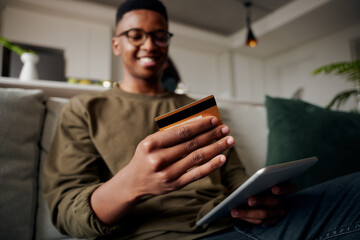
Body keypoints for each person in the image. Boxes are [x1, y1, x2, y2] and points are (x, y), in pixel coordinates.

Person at [44, 0, 360, 239]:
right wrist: (133, 184)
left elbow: (236, 180)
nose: (150, 45)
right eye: (135, 35)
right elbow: (65, 211)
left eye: (159, 36)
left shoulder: (198, 108)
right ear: (116, 44)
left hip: (233, 227)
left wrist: (257, 202)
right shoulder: (86, 108)